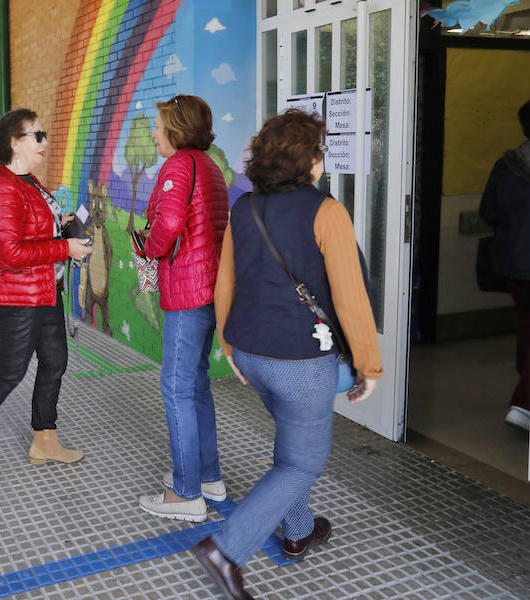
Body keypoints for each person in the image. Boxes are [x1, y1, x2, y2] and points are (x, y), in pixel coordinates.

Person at [190, 109, 381, 599]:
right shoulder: (326, 211)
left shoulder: (245, 207)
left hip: (252, 354)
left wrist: (229, 344)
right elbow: (349, 295)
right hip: (301, 362)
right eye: (318, 151)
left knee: (292, 445)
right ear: (310, 162)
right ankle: (227, 550)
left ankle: (297, 530)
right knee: (301, 463)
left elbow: (225, 279)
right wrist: (368, 364)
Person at [0, 108, 92, 476]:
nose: (44, 142)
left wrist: (58, 224)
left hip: (44, 289)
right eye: (37, 135)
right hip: (17, 295)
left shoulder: (28, 180)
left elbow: (31, 229)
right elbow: (13, 253)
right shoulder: (2, 188)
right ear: (15, 143)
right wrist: (66, 248)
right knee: (11, 370)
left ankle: (45, 440)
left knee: (55, 363)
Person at [136, 95, 229, 523]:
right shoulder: (209, 166)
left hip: (187, 291)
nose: (153, 133)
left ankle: (185, 493)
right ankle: (208, 478)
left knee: (176, 388)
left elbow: (169, 225)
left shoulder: (178, 166)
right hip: (212, 289)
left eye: (157, 125)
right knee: (196, 385)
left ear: (175, 127)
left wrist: (150, 250)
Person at [479, 99, 530, 432]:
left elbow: (488, 212)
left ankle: (523, 397)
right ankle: (523, 404)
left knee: (527, 322)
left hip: (514, 265)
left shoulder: (508, 164)